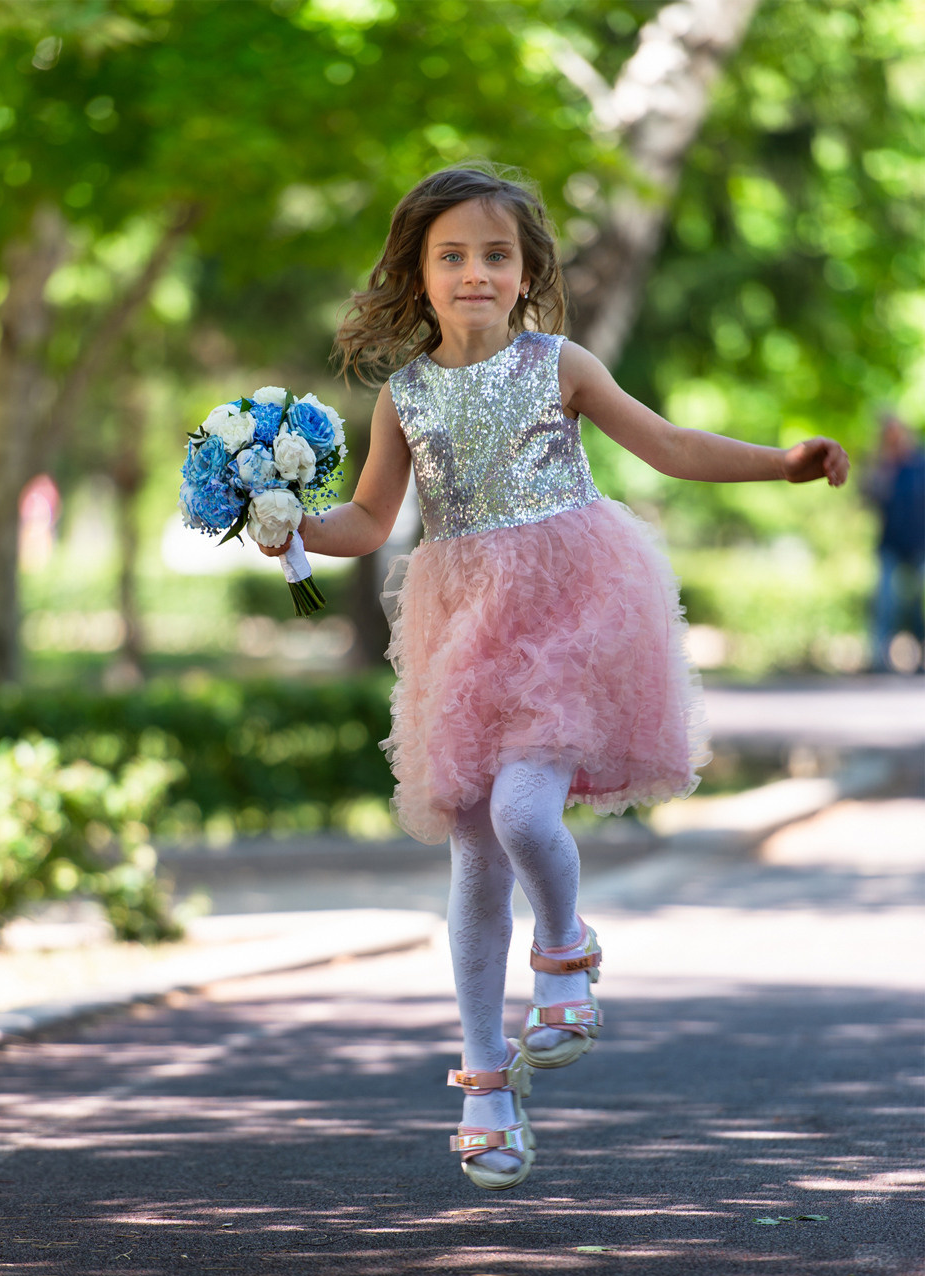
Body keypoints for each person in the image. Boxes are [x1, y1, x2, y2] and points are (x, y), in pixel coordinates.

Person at [261, 163, 848, 1191]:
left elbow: (666, 444)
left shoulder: (558, 365)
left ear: (528, 273)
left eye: (496, 255)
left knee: (523, 813)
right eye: (452, 256)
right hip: (464, 624)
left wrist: (779, 461)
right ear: (418, 273)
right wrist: (287, 525)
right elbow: (367, 519)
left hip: (571, 610)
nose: (474, 274)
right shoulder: (404, 396)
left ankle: (566, 949)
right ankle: (486, 1083)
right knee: (474, 854)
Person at [865, 413, 925, 672]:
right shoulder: (882, 465)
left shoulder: (920, 463)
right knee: (885, 604)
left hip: (920, 543)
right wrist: (885, 464)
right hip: (890, 543)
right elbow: (870, 496)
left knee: (918, 603)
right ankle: (879, 660)